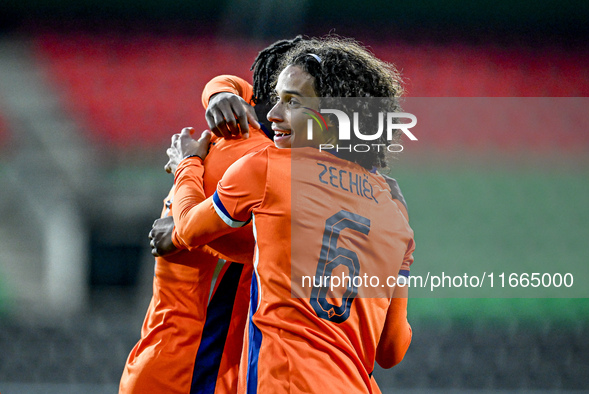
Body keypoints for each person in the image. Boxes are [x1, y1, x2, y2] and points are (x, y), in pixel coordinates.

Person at [166, 36, 415, 393]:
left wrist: (186, 164)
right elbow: (392, 349)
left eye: (292, 102)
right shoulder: (395, 213)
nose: (272, 114)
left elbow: (188, 229)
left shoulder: (268, 168)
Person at [119, 36, 304, 394]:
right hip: (195, 372)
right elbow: (188, 230)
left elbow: (229, 84)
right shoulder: (257, 163)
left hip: (160, 363)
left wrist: (219, 93)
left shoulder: (222, 147)